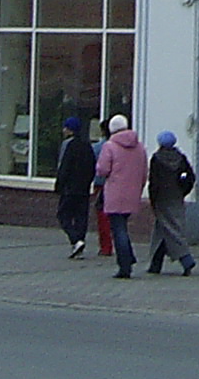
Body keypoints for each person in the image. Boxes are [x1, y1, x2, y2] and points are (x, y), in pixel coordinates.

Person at [93, 113, 148, 279]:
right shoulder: (139, 146)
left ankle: (125, 265)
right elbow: (144, 171)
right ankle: (129, 257)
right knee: (122, 225)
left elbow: (102, 170)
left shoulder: (110, 146)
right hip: (133, 193)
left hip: (115, 193)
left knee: (118, 229)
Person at [145, 130, 198, 276]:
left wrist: (153, 199)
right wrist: (183, 190)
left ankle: (186, 259)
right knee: (163, 229)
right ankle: (155, 264)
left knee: (171, 230)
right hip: (176, 197)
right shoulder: (180, 158)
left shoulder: (157, 159)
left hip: (162, 198)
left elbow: (153, 182)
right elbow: (190, 177)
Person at [53, 116, 95, 258]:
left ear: (70, 129)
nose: (63, 130)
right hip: (83, 188)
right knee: (80, 217)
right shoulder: (87, 145)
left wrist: (59, 185)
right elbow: (92, 167)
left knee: (63, 215)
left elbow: (64, 166)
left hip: (70, 188)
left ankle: (75, 240)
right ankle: (79, 245)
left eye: (65, 127)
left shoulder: (68, 145)